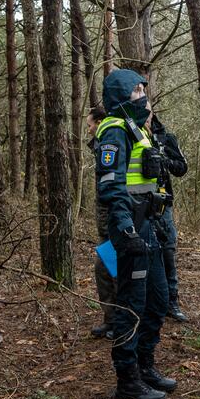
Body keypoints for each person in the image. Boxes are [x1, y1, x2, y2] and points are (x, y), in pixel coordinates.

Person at [94, 69, 175, 399]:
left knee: (158, 300)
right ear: (121, 95)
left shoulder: (138, 128)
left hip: (151, 225)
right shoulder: (113, 130)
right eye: (137, 90)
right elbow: (111, 186)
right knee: (131, 305)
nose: (143, 95)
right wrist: (126, 228)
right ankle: (127, 379)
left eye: (144, 89)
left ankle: (145, 365)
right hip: (130, 229)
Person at [150, 114, 189, 322]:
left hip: (163, 205)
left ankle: (171, 302)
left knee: (167, 252)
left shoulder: (166, 138)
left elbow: (182, 168)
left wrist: (163, 160)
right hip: (136, 205)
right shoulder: (128, 134)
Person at [86, 107, 116, 340]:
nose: (89, 130)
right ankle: (112, 320)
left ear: (100, 122)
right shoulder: (99, 148)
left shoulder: (111, 145)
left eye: (90, 125)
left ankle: (119, 321)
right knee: (104, 271)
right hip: (106, 226)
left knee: (109, 270)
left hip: (115, 224)